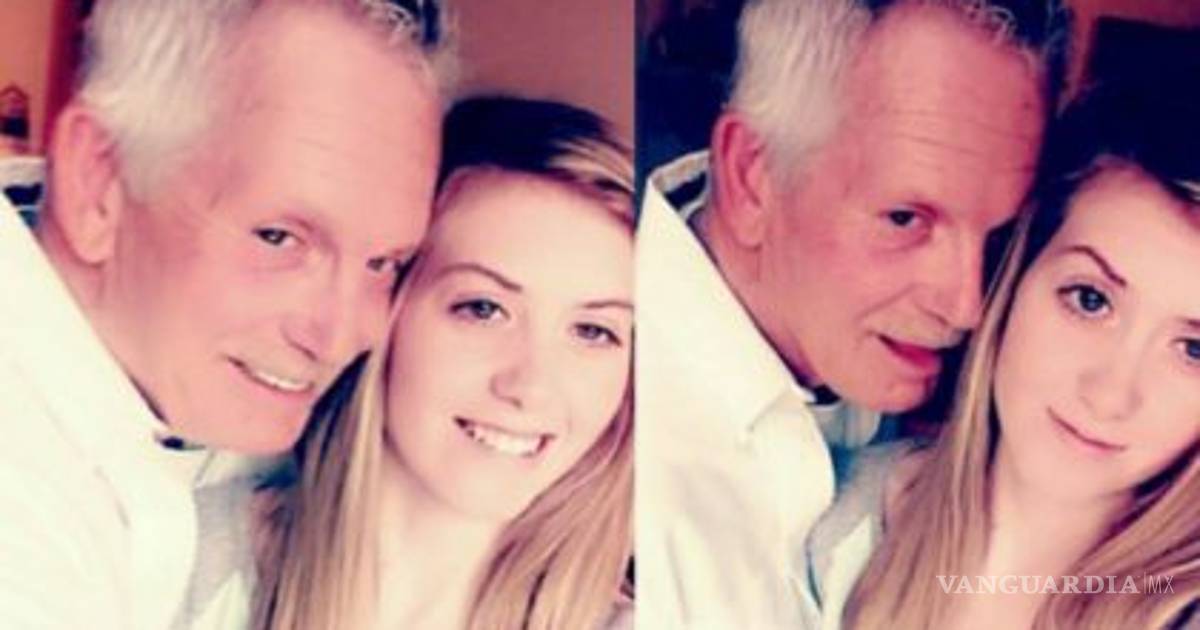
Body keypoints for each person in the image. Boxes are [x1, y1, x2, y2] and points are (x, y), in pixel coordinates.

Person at [0, 1, 448, 628]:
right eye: (278, 238)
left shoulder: (186, 372)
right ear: (98, 183)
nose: (342, 336)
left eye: (384, 263)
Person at [635, 0, 1070, 626]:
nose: (967, 308)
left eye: (997, 234)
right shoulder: (625, 488)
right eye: (905, 219)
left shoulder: (848, 348)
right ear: (752, 175)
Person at [177, 96, 635, 630]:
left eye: (593, 332)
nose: (531, 386)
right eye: (484, 309)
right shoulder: (171, 560)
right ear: (386, 306)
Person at [830, 84, 1200, 629]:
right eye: (1090, 299)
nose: (1109, 396)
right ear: (1015, 275)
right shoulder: (826, 510)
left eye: (1194, 351)